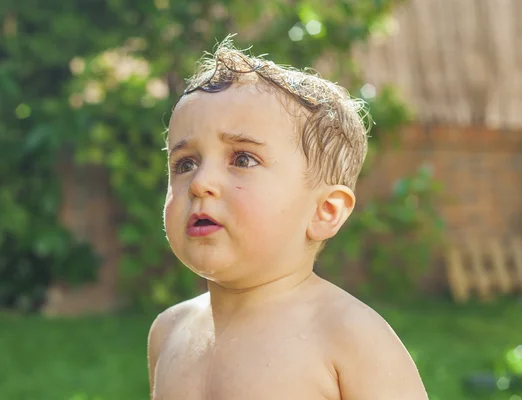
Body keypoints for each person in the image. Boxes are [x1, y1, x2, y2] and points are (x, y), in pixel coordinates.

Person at [147, 36, 428, 400]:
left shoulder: (348, 336)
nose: (201, 183)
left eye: (242, 159)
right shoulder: (169, 331)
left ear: (324, 211)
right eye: (185, 163)